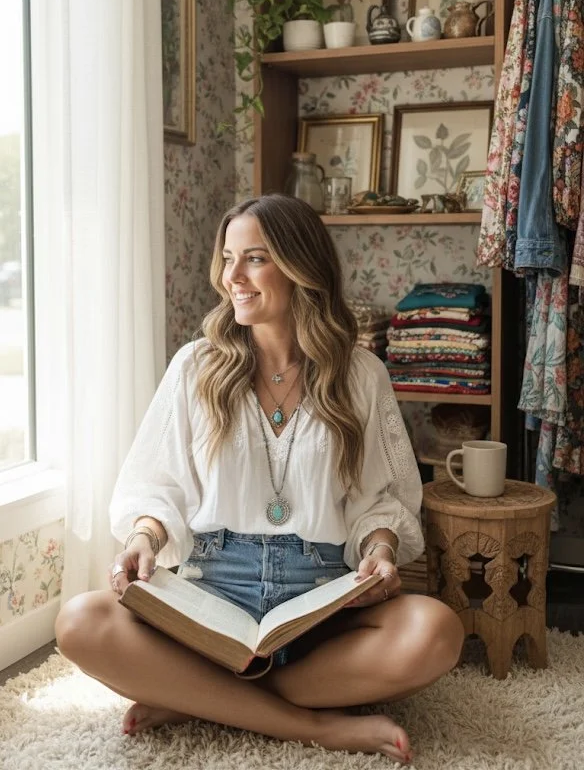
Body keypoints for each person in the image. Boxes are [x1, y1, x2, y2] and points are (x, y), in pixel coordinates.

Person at [55, 194, 464, 764]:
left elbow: (381, 499)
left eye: (255, 258)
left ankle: (199, 697)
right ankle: (314, 726)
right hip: (209, 596)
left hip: (322, 600)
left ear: (300, 267)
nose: (233, 278)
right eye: (228, 258)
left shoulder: (360, 374)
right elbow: (159, 484)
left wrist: (381, 549)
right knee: (80, 621)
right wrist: (144, 539)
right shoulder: (197, 366)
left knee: (436, 631)